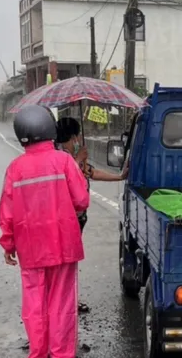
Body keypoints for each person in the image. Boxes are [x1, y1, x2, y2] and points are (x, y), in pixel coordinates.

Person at [0, 104, 90, 358]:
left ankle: (38, 352)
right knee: (61, 302)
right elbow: (82, 200)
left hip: (30, 249)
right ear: (50, 130)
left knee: (34, 302)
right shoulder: (63, 161)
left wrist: (8, 245)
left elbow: (7, 212)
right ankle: (61, 353)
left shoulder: (15, 169)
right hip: (63, 245)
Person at [55, 116, 128, 313]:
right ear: (72, 137)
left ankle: (69, 299)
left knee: (70, 263)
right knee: (65, 263)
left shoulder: (72, 157)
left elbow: (91, 173)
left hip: (77, 218)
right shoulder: (60, 157)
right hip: (66, 220)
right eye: (77, 136)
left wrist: (119, 177)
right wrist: (77, 161)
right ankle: (64, 302)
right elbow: (63, 184)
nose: (79, 140)